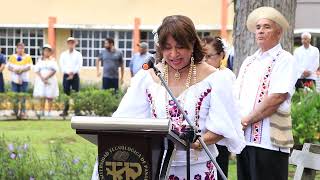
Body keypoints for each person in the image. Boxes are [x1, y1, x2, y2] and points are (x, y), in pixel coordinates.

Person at [91, 15, 245, 180]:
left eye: (180, 47)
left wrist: (198, 142)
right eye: (167, 47)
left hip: (198, 168)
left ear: (192, 44)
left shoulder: (216, 79)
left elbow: (224, 126)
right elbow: (125, 120)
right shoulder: (148, 77)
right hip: (158, 167)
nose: (173, 54)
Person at [235, 7, 298, 180]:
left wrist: (246, 120)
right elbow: (236, 96)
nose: (261, 31)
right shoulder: (249, 61)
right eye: (258, 27)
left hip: (269, 142)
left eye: (267, 27)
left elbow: (276, 98)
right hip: (244, 140)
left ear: (278, 32)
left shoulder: (285, 59)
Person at [202, 36, 235, 179]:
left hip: (218, 135)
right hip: (201, 134)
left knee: (219, 171)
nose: (204, 60)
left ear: (221, 55)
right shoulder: (199, 75)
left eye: (208, 56)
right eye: (201, 56)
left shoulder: (226, 76)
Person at [7, 42, 33, 118]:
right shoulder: (12, 57)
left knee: (23, 97)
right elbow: (8, 67)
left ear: (24, 49)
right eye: (19, 48)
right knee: (15, 96)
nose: (20, 50)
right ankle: (15, 112)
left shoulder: (27, 57)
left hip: (24, 80)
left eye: (22, 48)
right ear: (16, 49)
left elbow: (29, 67)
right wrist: (14, 70)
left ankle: (23, 112)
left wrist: (21, 70)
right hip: (14, 80)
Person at [59, 37, 83, 116]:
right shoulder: (63, 54)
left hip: (75, 75)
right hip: (66, 75)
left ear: (75, 44)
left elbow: (79, 65)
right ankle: (65, 111)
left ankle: (77, 111)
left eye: (72, 43)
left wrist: (73, 73)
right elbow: (62, 65)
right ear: (67, 44)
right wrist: (68, 73)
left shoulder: (78, 54)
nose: (71, 44)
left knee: (76, 92)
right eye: (69, 43)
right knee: (66, 92)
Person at [33, 44, 59, 117]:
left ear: (50, 52)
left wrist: (47, 77)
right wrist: (42, 78)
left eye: (48, 51)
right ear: (43, 52)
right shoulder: (39, 60)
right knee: (42, 96)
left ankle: (49, 112)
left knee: (50, 96)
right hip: (41, 80)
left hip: (50, 80)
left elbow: (55, 70)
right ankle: (42, 111)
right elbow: (37, 70)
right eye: (45, 51)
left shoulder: (53, 60)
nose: (46, 52)